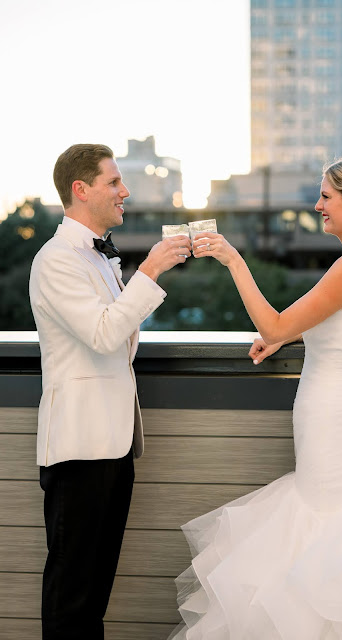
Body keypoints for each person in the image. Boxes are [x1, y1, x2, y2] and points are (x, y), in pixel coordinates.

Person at [170, 154, 342, 638]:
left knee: (327, 557)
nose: (317, 205)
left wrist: (233, 259)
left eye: (326, 196)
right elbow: (333, 325)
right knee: (325, 554)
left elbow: (276, 322)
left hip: (338, 437)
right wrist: (286, 336)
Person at [29, 143, 191, 640]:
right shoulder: (56, 259)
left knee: (95, 592)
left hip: (113, 443)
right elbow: (103, 334)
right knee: (72, 593)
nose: (125, 191)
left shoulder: (97, 256)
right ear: (81, 190)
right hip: (79, 446)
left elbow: (117, 338)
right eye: (114, 182)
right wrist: (152, 269)